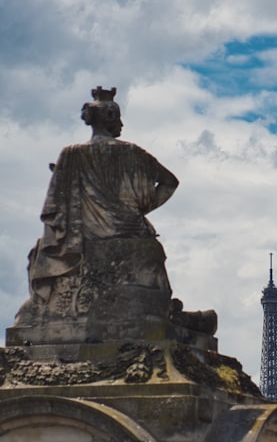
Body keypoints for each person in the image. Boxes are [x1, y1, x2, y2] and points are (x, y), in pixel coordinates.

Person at [14, 87, 179, 326]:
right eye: (119, 117)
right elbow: (170, 182)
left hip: (84, 235)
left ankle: (44, 310)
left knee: (37, 252)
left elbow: (55, 207)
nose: (121, 123)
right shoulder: (132, 152)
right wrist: (140, 209)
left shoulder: (70, 155)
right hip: (128, 229)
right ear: (112, 118)